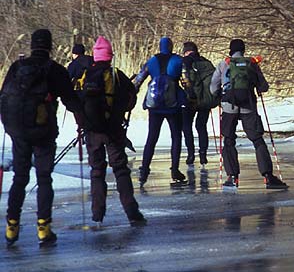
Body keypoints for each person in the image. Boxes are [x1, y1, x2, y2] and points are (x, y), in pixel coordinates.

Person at [0, 29, 83, 247]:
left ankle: (11, 226)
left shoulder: (17, 67)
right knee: (44, 178)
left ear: (31, 45)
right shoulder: (55, 70)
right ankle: (44, 229)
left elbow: (4, 96)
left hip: (18, 131)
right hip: (44, 131)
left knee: (20, 178)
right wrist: (86, 120)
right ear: (50, 46)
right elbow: (71, 101)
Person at [80, 36, 146, 226]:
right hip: (113, 131)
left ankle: (97, 214)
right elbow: (130, 100)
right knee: (120, 169)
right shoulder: (117, 75)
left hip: (93, 132)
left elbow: (78, 102)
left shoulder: (87, 75)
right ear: (110, 57)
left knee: (97, 170)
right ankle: (132, 212)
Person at [209, 39, 288, 190]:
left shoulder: (223, 64)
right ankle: (268, 177)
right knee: (257, 140)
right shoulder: (252, 63)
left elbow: (213, 87)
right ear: (244, 50)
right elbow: (264, 86)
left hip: (228, 107)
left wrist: (220, 95)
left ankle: (232, 178)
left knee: (229, 140)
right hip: (248, 106)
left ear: (230, 50)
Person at [134, 36, 187, 187]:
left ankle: (144, 171)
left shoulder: (151, 61)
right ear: (171, 46)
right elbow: (186, 80)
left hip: (155, 105)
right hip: (172, 105)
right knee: (176, 136)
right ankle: (175, 170)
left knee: (152, 137)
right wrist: (190, 96)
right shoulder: (178, 61)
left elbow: (139, 79)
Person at [181, 41, 211, 171]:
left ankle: (190, 154)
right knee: (201, 126)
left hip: (190, 99)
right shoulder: (207, 63)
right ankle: (203, 154)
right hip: (205, 100)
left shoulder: (185, 62)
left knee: (186, 126)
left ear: (186, 52)